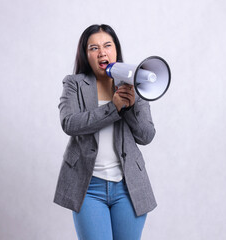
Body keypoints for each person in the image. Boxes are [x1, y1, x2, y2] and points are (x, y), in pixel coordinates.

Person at [54, 24, 157, 240]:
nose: (102, 52)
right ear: (86, 54)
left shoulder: (133, 82)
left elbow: (146, 135)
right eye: (94, 48)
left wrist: (128, 107)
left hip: (128, 188)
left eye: (107, 45)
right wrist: (113, 107)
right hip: (88, 187)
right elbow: (70, 123)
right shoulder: (73, 84)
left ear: (116, 51)